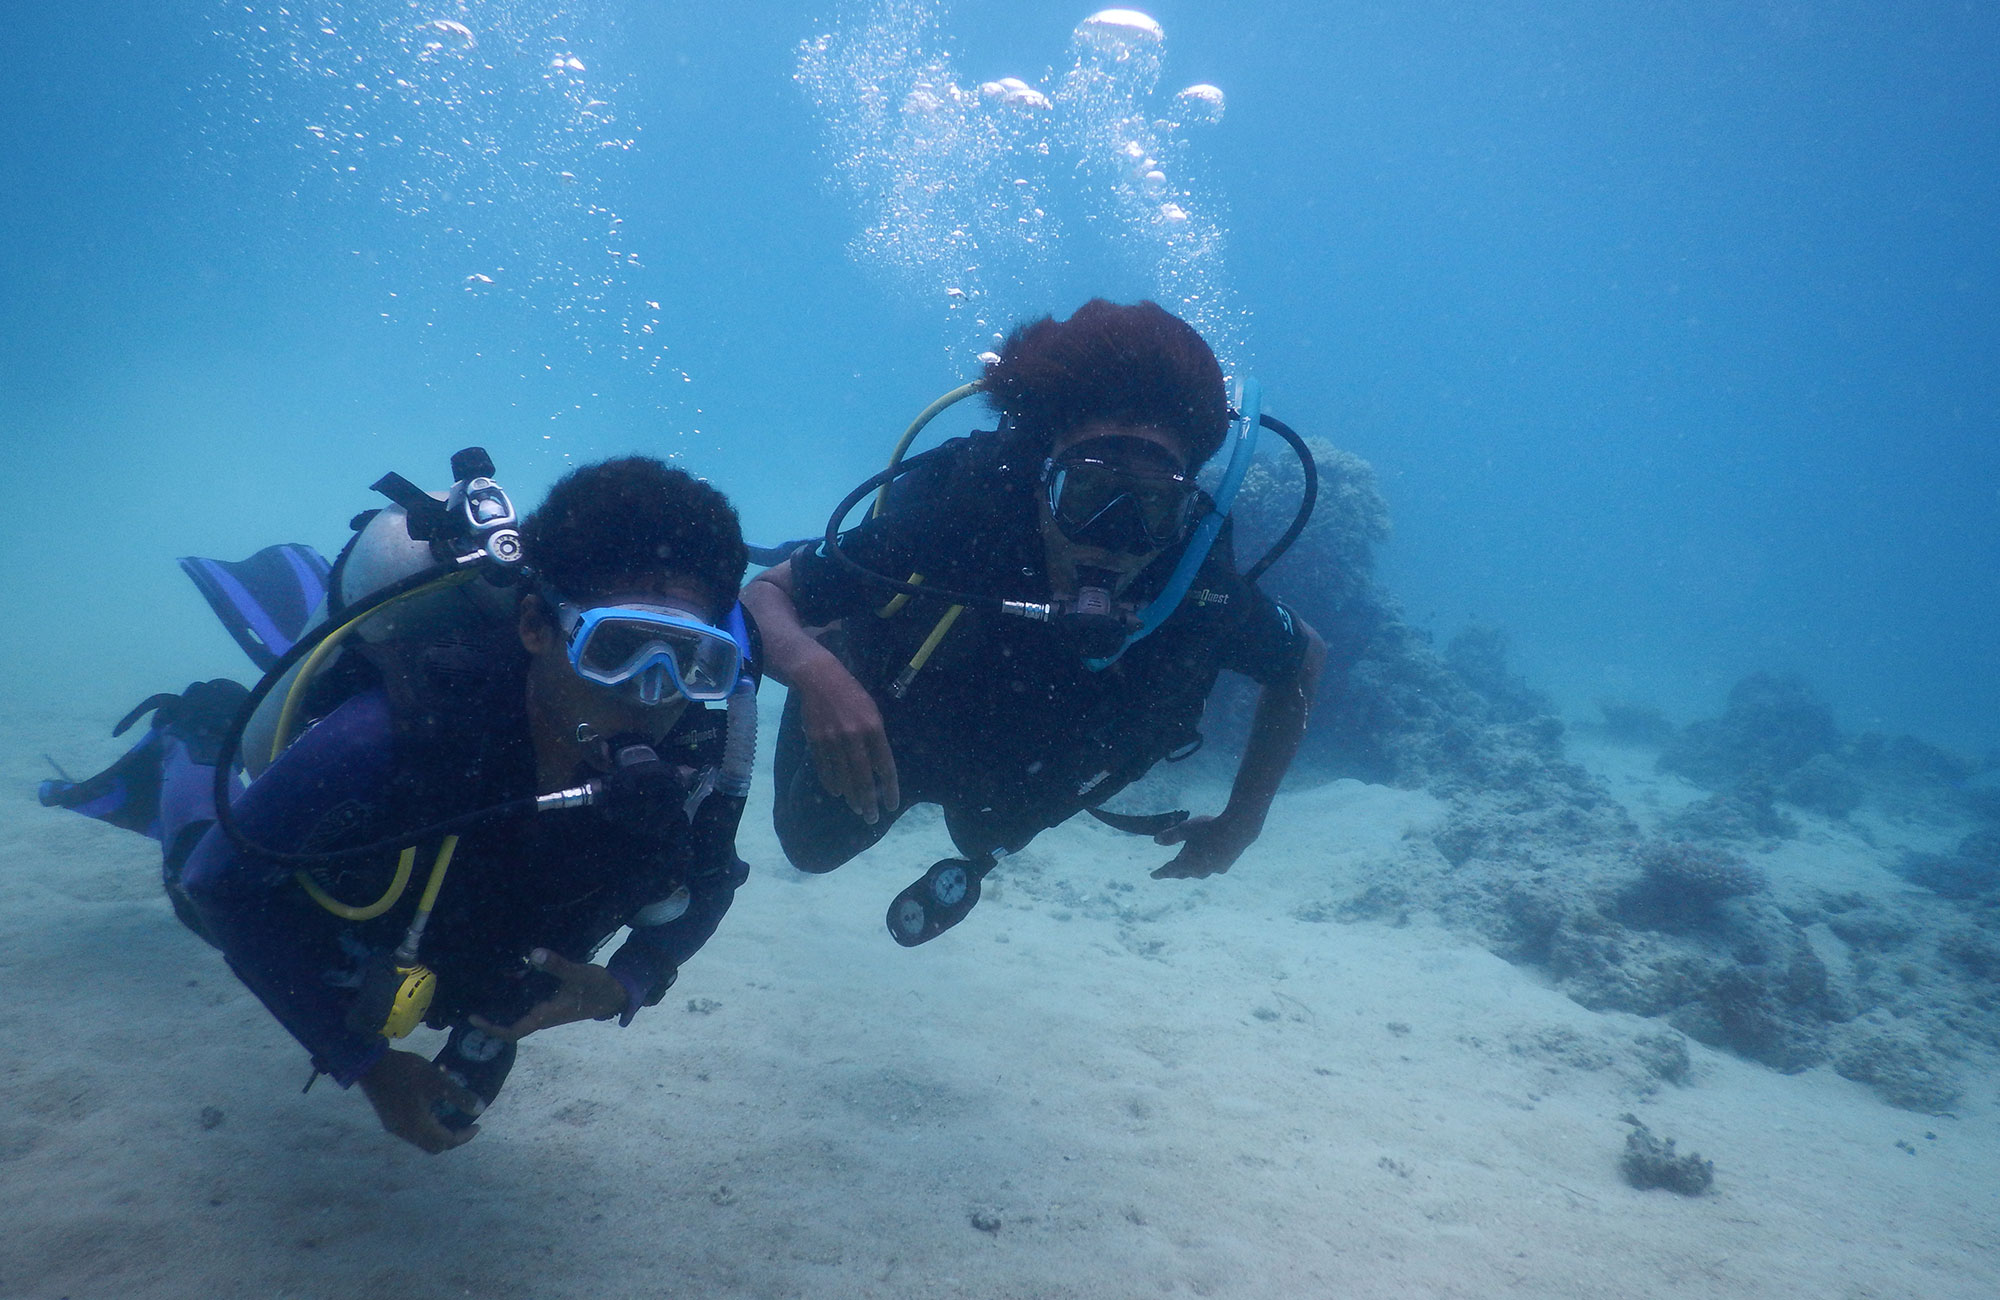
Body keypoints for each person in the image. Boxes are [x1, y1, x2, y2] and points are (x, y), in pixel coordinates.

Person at [41, 455, 759, 1152]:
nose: (651, 693)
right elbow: (219, 884)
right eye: (618, 648)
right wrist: (366, 1065)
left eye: (693, 663)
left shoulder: (700, 750)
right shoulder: (400, 732)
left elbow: (711, 881)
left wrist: (625, 982)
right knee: (191, 883)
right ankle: (194, 736)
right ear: (536, 625)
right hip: (347, 909)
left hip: (485, 928)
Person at [743, 299, 1326, 944]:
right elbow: (764, 595)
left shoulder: (1196, 581)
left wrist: (1244, 821)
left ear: (1185, 508)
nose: (1114, 539)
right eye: (1085, 495)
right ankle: (845, 640)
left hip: (1016, 771)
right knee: (812, 847)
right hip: (901, 723)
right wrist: (818, 675)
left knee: (990, 829)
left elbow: (1302, 659)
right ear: (1038, 479)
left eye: (1152, 507)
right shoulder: (961, 517)